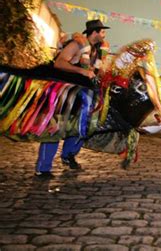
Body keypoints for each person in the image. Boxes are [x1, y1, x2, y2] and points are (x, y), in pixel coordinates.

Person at [35, 19, 110, 178]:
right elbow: (59, 63)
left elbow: (97, 72)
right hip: (64, 95)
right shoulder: (77, 44)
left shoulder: (96, 52)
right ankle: (43, 168)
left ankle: (68, 156)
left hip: (81, 96)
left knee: (81, 126)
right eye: (103, 31)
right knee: (56, 127)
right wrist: (81, 71)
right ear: (95, 32)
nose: (105, 34)